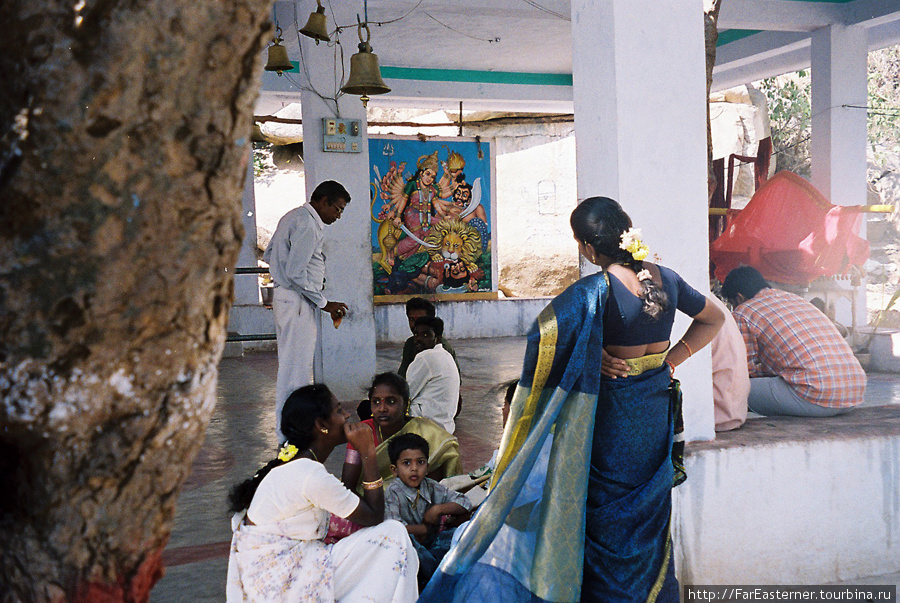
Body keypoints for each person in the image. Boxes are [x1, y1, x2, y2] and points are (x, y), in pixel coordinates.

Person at [420, 197, 724, 603]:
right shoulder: (666, 278)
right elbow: (713, 318)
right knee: (647, 515)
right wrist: (670, 361)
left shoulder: (593, 290)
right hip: (654, 413)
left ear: (586, 246)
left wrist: (587, 350)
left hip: (614, 419)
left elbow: (541, 335)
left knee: (604, 517)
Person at [226, 384, 418, 602]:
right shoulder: (309, 473)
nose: (347, 415)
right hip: (281, 584)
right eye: (338, 410)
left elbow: (351, 500)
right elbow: (373, 516)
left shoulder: (299, 465)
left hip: (271, 576)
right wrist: (368, 453)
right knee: (393, 534)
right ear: (322, 425)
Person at [264, 180, 351, 441]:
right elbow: (295, 272)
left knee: (292, 368)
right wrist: (324, 302)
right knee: (296, 373)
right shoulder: (308, 226)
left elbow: (270, 255)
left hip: (289, 299)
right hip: (298, 301)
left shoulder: (292, 217)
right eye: (337, 209)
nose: (338, 216)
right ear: (323, 201)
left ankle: (289, 430)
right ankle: (289, 435)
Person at [721, 266, 866, 417]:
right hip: (853, 395)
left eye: (732, 303)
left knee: (727, 389)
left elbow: (744, 370)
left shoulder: (743, 312)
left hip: (815, 398)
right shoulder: (793, 299)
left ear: (739, 298)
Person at [342, 372, 463, 493]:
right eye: (376, 402)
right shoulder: (362, 433)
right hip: (368, 500)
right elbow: (348, 485)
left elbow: (433, 486)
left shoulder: (425, 432)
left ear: (406, 404)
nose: (382, 408)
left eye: (391, 401)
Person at [385, 433, 473, 590]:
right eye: (406, 463)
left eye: (420, 462)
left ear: (427, 467)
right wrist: (423, 529)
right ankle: (435, 575)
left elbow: (465, 502)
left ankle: (438, 570)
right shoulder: (393, 492)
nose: (414, 468)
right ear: (394, 470)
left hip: (432, 542)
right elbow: (394, 527)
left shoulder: (430, 486)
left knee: (461, 533)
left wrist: (438, 509)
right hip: (409, 547)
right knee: (409, 547)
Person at [406, 316, 461, 433]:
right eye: (416, 334)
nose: (418, 339)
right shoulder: (445, 355)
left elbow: (406, 393)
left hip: (425, 426)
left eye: (425, 335)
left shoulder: (426, 357)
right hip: (445, 427)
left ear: (438, 338)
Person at [397, 298, 459, 379]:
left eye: (421, 320)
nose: (415, 325)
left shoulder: (443, 347)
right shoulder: (410, 343)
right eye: (411, 319)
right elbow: (402, 375)